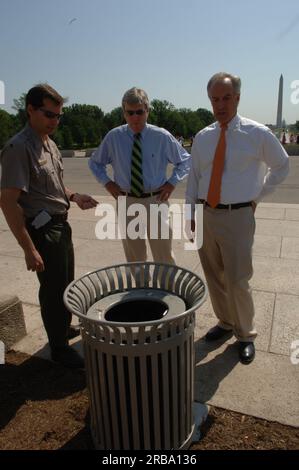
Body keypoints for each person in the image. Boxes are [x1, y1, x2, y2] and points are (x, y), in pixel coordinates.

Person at [186, 72, 289, 364]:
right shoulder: (204, 138)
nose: (220, 104)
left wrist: (257, 196)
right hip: (206, 213)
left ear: (238, 98)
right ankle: (225, 322)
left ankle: (245, 334)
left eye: (226, 98)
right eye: (215, 99)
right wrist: (191, 213)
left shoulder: (257, 134)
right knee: (214, 276)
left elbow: (281, 166)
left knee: (238, 280)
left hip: (238, 216)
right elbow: (194, 178)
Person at [0, 84, 98, 369]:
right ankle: (58, 349)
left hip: (60, 224)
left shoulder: (49, 143)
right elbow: (8, 202)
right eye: (49, 114)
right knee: (53, 289)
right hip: (43, 231)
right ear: (30, 110)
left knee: (65, 284)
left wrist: (73, 196)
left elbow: (52, 187)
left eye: (58, 116)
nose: (54, 121)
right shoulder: (19, 148)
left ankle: (61, 327)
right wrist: (29, 249)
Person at [89, 87, 190, 264]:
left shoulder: (161, 136)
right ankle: (141, 289)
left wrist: (172, 182)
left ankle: (165, 290)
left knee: (164, 255)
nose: (135, 117)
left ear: (147, 111)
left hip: (156, 200)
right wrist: (107, 183)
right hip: (127, 201)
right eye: (130, 113)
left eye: (139, 112)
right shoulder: (114, 137)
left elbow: (185, 161)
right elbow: (95, 162)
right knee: (134, 257)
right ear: (124, 113)